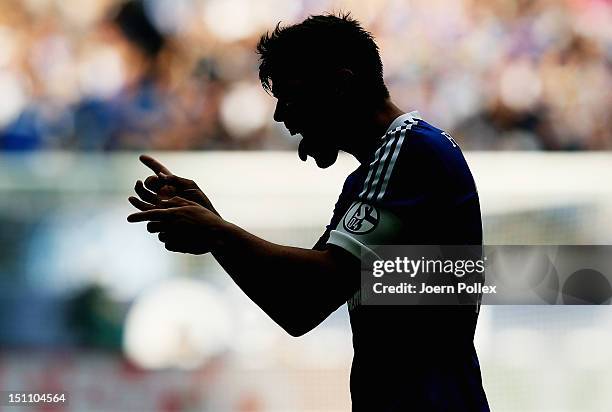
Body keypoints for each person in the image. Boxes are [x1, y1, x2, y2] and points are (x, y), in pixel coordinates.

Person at [128, 13, 490, 411]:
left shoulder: (411, 151)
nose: (281, 115)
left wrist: (217, 231)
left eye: (291, 95)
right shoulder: (374, 173)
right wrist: (212, 226)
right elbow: (298, 308)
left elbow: (322, 281)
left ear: (340, 84)